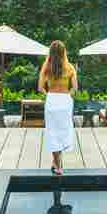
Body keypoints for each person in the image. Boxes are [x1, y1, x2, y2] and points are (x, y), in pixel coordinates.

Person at [39, 40, 78, 175]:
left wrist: (49, 95)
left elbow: (40, 88)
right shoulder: (69, 67)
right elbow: (75, 88)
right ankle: (57, 163)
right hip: (65, 101)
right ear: (63, 52)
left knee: (52, 131)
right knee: (62, 131)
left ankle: (57, 164)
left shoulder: (46, 67)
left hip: (52, 100)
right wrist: (67, 97)